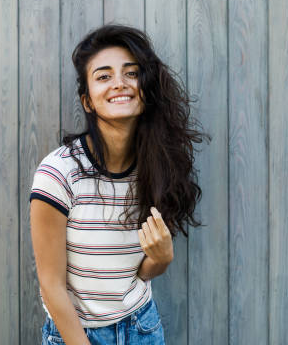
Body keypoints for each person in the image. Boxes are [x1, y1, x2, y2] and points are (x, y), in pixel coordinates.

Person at [29, 24, 210, 345]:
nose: (120, 84)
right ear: (87, 101)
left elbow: (140, 273)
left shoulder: (159, 165)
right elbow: (51, 285)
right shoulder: (59, 173)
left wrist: (163, 258)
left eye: (131, 73)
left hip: (141, 328)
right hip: (74, 335)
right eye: (103, 76)